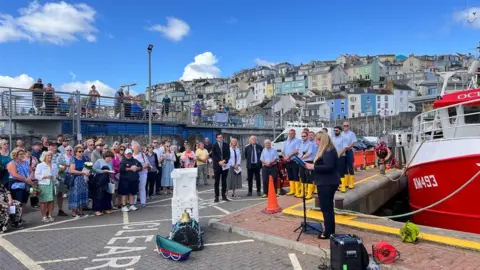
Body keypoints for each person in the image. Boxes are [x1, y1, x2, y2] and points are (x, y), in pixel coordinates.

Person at [305, 132, 340, 239]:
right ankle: (329, 229)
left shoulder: (329, 151)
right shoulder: (327, 150)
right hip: (325, 182)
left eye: (317, 140)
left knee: (326, 208)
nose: (316, 142)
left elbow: (329, 167)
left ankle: (328, 232)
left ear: (322, 140)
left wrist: (313, 167)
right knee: (326, 207)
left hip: (327, 183)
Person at [68, 145, 90, 218]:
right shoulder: (73, 159)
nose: (81, 153)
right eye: (79, 151)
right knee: (76, 195)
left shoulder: (85, 159)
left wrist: (88, 172)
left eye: (82, 151)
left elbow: (87, 168)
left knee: (82, 194)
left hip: (84, 179)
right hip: (76, 179)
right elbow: (71, 170)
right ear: (75, 152)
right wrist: (82, 173)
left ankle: (81, 212)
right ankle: (74, 212)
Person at [35, 152, 57, 222]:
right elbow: (36, 176)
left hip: (52, 183)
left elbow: (56, 174)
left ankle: (50, 215)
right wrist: (45, 176)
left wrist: (56, 176)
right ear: (44, 157)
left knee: (51, 200)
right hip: (43, 184)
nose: (50, 156)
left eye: (51, 155)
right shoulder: (40, 165)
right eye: (48, 155)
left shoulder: (54, 165)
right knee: (43, 201)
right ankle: (44, 216)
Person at [92, 151, 114, 216]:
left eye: (111, 158)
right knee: (99, 195)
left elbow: (111, 170)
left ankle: (106, 208)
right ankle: (97, 210)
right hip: (99, 181)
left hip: (107, 180)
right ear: (105, 157)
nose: (110, 159)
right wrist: (103, 171)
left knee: (107, 195)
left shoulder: (110, 163)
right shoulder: (99, 161)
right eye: (109, 157)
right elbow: (94, 169)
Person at [211, 133, 230, 202]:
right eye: (219, 137)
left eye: (221, 137)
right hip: (217, 166)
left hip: (225, 165)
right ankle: (216, 197)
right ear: (216, 138)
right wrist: (219, 161)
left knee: (224, 181)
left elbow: (228, 155)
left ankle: (224, 196)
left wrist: (224, 161)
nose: (220, 138)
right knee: (217, 182)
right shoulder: (214, 146)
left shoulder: (226, 145)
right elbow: (214, 155)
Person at [132, 141, 151, 208]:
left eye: (138, 147)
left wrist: (140, 168)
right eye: (136, 147)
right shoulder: (131, 156)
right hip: (134, 175)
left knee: (142, 188)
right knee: (134, 188)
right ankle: (133, 203)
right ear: (133, 148)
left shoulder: (143, 155)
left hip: (143, 173)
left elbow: (147, 164)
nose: (138, 148)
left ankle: (143, 202)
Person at [283, 129, 301, 196]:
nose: (290, 135)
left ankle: (297, 191)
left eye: (292, 133)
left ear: (295, 134)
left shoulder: (297, 141)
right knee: (290, 176)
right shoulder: (286, 142)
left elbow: (297, 151)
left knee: (295, 175)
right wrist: (284, 157)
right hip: (287, 161)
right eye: (289, 133)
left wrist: (289, 156)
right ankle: (292, 190)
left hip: (294, 161)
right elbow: (283, 151)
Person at [298, 132, 315, 199]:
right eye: (302, 136)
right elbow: (299, 152)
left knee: (309, 177)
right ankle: (303, 192)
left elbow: (309, 153)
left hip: (308, 161)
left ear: (307, 136)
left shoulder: (311, 144)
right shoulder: (301, 144)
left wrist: (301, 157)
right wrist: (300, 158)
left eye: (304, 136)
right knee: (302, 176)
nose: (303, 137)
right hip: (301, 161)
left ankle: (309, 193)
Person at [332, 126, 348, 193]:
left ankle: (343, 187)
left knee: (341, 172)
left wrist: (339, 155)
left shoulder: (343, 138)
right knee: (335, 172)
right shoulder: (332, 138)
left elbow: (345, 148)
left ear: (340, 131)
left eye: (337, 130)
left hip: (341, 157)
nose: (335, 132)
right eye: (334, 130)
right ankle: (336, 186)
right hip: (333, 157)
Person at [342, 121, 357, 189]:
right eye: (344, 125)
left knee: (350, 167)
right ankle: (345, 183)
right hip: (343, 152)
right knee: (344, 167)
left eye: (347, 125)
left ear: (349, 126)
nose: (345, 127)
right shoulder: (341, 133)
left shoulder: (352, 134)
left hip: (349, 151)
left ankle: (351, 183)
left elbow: (353, 142)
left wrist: (348, 147)